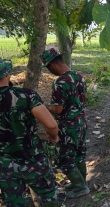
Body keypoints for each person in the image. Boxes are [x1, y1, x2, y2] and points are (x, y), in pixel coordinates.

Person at [0, 58, 62, 206]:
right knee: (48, 197)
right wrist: (53, 137)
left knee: (15, 202)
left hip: (5, 165)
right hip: (32, 159)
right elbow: (51, 125)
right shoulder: (26, 96)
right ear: (8, 74)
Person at [41, 48, 89, 198]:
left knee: (65, 158)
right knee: (79, 154)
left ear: (53, 65)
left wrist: (44, 107)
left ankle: (80, 187)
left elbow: (58, 109)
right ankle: (81, 182)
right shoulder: (79, 76)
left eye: (49, 69)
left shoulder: (60, 82)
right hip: (81, 121)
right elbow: (83, 99)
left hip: (69, 125)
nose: (50, 72)